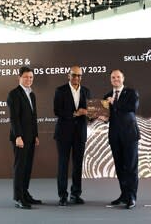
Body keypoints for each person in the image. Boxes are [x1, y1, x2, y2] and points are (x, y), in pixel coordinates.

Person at [54, 66, 91, 206]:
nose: (77, 78)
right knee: (63, 165)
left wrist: (89, 113)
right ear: (68, 75)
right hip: (63, 133)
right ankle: (63, 195)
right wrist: (76, 113)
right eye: (74, 75)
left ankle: (76, 194)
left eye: (79, 75)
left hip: (80, 134)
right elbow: (57, 110)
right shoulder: (60, 90)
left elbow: (90, 113)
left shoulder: (86, 91)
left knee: (78, 165)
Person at [103, 69, 140, 209]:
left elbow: (132, 108)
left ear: (123, 78)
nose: (115, 79)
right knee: (120, 167)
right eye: (113, 77)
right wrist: (103, 117)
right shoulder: (107, 96)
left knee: (131, 167)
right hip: (115, 137)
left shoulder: (131, 93)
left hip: (130, 136)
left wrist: (114, 103)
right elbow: (107, 116)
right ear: (110, 79)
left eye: (118, 77)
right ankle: (124, 195)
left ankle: (132, 197)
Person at [7, 66, 41, 209]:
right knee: (20, 167)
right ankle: (18, 197)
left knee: (27, 167)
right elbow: (14, 118)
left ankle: (25, 193)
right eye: (26, 77)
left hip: (31, 137)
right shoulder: (14, 94)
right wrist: (18, 136)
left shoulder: (31, 94)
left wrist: (36, 135)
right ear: (19, 78)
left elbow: (34, 117)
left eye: (31, 77)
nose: (29, 80)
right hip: (20, 138)